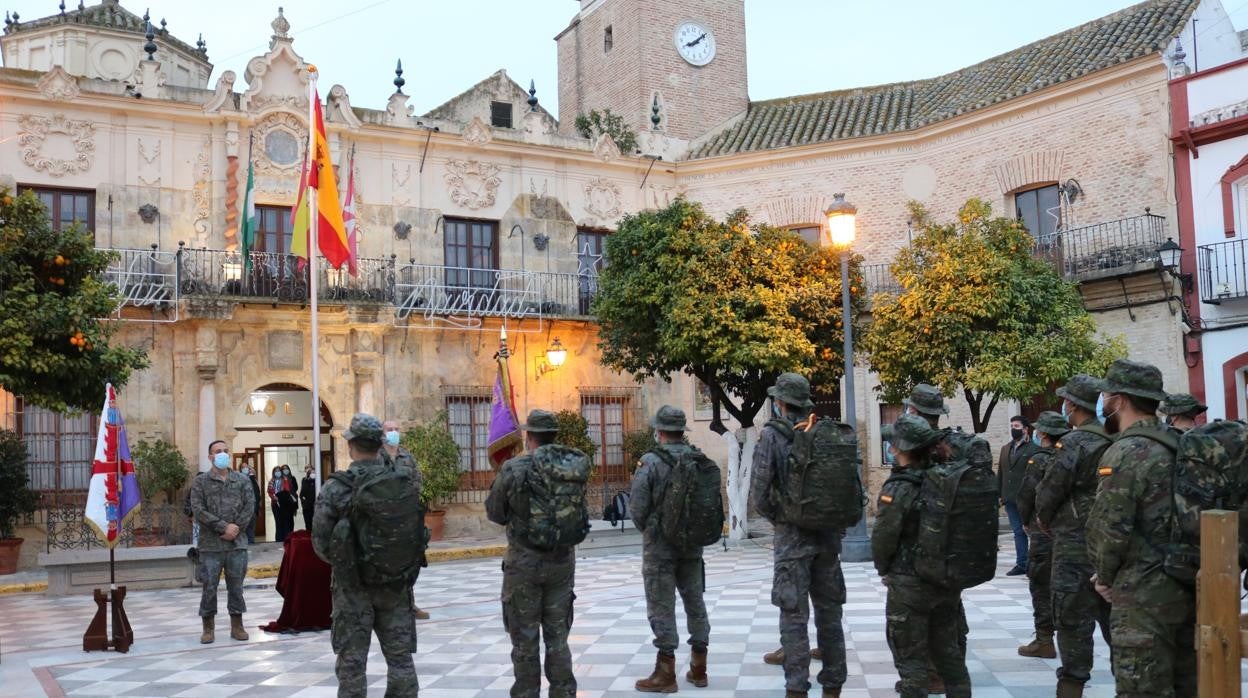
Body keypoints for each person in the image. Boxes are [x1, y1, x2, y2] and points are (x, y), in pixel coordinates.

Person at [1087, 359, 1195, 698]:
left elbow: (1111, 527)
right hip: (1186, 585)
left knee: (1141, 688)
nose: (1103, 401)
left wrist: (1103, 577)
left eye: (1105, 394)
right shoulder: (1180, 443)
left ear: (1119, 399)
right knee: (1186, 686)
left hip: (1142, 596)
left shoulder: (1125, 452)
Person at [749, 373, 847, 698]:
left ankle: (796, 688)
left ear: (780, 403)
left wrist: (784, 518)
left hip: (792, 541)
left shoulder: (773, 436)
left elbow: (760, 492)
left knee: (794, 616)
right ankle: (833, 686)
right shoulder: (827, 430)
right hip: (828, 539)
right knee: (829, 614)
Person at [312, 413, 422, 698]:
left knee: (352, 665)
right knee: (400, 661)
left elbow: (321, 544)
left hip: (353, 590)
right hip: (396, 584)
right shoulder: (403, 481)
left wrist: (351, 562)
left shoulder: (336, 487)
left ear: (351, 446)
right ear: (379, 444)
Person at [486, 409, 587, 698]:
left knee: (525, 641)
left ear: (528, 436)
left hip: (524, 565)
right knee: (558, 639)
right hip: (562, 563)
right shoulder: (572, 466)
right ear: (555, 435)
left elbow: (495, 512)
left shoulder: (514, 468)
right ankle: (564, 692)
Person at [872, 415, 971, 698]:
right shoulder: (946, 479)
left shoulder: (899, 487)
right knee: (950, 656)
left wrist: (884, 569)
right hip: (945, 581)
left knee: (911, 660)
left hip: (909, 584)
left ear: (900, 448)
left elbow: (883, 537)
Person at [1034, 374, 1114, 697]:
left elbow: (1050, 490)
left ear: (1074, 405)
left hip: (1074, 546)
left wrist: (1043, 517)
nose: (1063, 404)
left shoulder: (1075, 443)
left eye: (1065, 400)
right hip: (1111, 543)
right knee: (1115, 622)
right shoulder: (1114, 437)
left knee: (1070, 619)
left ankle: (1072, 684)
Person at [630, 405, 711, 692]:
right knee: (695, 602)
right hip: (692, 546)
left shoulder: (650, 462)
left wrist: (654, 531)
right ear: (681, 431)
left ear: (660, 431)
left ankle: (665, 673)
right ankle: (699, 668)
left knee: (662, 606)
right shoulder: (698, 459)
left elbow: (637, 508)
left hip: (660, 548)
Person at [1014, 411, 1069, 660]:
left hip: (1042, 530)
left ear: (1043, 433)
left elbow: (1026, 494)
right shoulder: (1069, 456)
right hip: (1069, 532)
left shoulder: (1040, 459)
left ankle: (1044, 639)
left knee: (1040, 583)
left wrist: (1026, 520)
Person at [189, 438, 256, 644]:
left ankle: (237, 626)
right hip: (211, 545)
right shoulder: (201, 482)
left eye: (226, 450)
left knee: (236, 586)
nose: (222, 454)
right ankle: (208, 627)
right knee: (209, 587)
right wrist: (223, 527)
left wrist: (235, 529)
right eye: (218, 451)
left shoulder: (242, 480)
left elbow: (250, 505)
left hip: (237, 544)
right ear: (210, 457)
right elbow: (198, 510)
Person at [382, 418, 430, 620]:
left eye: (396, 429)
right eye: (389, 429)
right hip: (383, 520)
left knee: (408, 564)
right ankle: (387, 607)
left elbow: (417, 482)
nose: (394, 432)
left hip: (406, 519)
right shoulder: (377, 457)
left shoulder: (407, 457)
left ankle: (409, 604)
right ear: (382, 434)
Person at [998, 415, 1039, 576]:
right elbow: (1001, 472)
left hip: (1027, 498)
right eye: (1011, 426)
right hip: (1009, 497)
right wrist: (1000, 493)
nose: (1013, 429)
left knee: (1031, 530)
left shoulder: (1033, 449)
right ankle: (1021, 563)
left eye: (1016, 426)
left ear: (1025, 429)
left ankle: (1035, 562)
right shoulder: (1006, 448)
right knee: (1017, 531)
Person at [269, 466, 297, 541]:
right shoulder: (271, 481)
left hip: (284, 505)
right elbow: (269, 491)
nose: (278, 472)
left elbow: (287, 490)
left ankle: (285, 539)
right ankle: (278, 540)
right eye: (276, 471)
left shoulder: (285, 480)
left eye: (279, 471)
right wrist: (274, 497)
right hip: (275, 504)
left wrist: (280, 497)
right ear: (274, 473)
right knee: (278, 523)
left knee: (285, 522)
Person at [242, 463, 261, 545]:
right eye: (243, 467)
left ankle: (251, 546)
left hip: (253, 509)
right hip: (242, 510)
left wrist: (257, 508)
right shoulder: (239, 479)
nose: (245, 469)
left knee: (251, 530)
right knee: (243, 530)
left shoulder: (253, 480)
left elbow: (257, 494)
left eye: (247, 467)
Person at [300, 466, 317, 531]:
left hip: (316, 507)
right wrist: (303, 502)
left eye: (314, 472)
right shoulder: (305, 481)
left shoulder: (319, 481)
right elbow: (302, 494)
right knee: (308, 524)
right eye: (311, 473)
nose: (313, 474)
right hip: (307, 507)